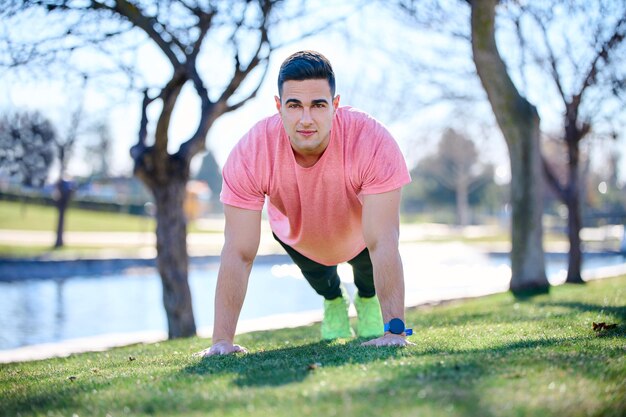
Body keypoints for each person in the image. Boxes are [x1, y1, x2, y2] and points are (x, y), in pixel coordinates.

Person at [200, 50, 413, 356]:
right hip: (299, 235)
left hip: (360, 236)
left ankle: (367, 302)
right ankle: (334, 301)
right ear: (279, 107)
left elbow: (383, 240)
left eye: (318, 105)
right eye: (294, 105)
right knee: (324, 282)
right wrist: (221, 341)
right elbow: (238, 251)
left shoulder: (372, 140)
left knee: (367, 280)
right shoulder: (251, 152)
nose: (306, 119)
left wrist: (395, 331)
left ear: (335, 105)